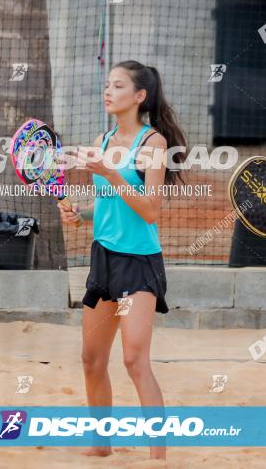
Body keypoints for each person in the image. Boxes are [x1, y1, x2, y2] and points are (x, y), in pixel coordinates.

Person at [59, 60, 187, 461]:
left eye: (117, 85)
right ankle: (101, 445)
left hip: (138, 265)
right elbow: (110, 204)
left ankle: (158, 456)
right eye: (107, 85)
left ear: (139, 96)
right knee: (92, 359)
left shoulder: (154, 144)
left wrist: (112, 174)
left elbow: (150, 209)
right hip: (104, 260)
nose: (108, 91)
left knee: (134, 359)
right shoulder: (103, 138)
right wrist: (80, 214)